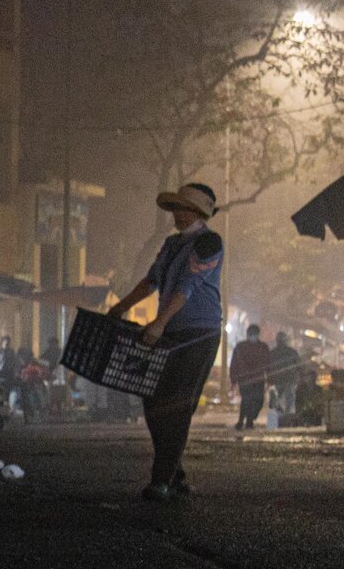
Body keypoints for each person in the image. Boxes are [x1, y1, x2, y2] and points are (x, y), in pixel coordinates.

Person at [107, 182, 225, 500]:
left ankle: (162, 479)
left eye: (183, 209)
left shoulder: (209, 242)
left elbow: (185, 287)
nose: (178, 214)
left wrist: (158, 323)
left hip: (199, 334)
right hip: (171, 331)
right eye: (176, 208)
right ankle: (174, 473)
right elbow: (152, 280)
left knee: (177, 405)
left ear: (198, 212)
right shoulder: (172, 244)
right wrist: (120, 306)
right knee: (153, 399)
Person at [229, 324, 270, 430]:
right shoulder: (240, 347)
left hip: (258, 379)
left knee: (258, 400)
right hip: (245, 379)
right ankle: (244, 421)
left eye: (254, 334)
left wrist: (270, 378)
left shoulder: (263, 347)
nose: (252, 336)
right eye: (251, 334)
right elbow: (234, 364)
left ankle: (250, 418)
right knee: (246, 399)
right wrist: (233, 380)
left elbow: (268, 364)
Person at [266, 330, 303, 416]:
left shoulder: (272, 353)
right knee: (289, 398)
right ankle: (287, 415)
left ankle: (280, 415)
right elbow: (299, 366)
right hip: (290, 380)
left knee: (278, 399)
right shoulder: (292, 352)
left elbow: (268, 368)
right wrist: (301, 376)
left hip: (277, 380)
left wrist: (269, 380)